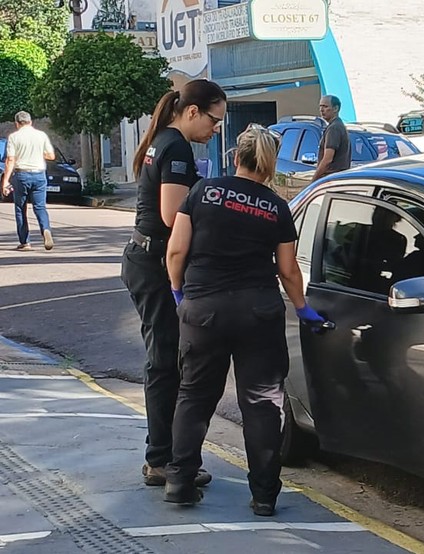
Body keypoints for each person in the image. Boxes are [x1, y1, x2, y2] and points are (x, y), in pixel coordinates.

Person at [164, 124, 327, 514]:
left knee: (195, 395)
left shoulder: (202, 192)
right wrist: (303, 308)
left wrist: (178, 293)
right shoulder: (277, 207)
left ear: (236, 157)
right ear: (269, 164)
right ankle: (265, 495)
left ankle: (180, 481)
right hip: (258, 313)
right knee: (262, 403)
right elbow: (288, 270)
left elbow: (176, 251)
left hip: (204, 309)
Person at [120, 79, 227, 489]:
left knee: (167, 361)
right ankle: (161, 458)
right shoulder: (176, 147)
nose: (215, 130)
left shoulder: (162, 140)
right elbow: (172, 215)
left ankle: (163, 452)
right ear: (193, 112)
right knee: (166, 364)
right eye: (214, 121)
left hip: (143, 260)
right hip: (153, 264)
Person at [2, 111, 56, 251]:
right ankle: (46, 229)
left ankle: (25, 242)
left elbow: (10, 160)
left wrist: (5, 181)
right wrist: (38, 153)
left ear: (17, 123)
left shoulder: (14, 137)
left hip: (22, 175)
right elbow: (51, 155)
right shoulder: (41, 135)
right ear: (30, 122)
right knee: (40, 207)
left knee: (20, 208)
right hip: (39, 175)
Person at [311, 95, 351, 181]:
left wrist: (314, 181)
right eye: (320, 106)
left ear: (336, 108)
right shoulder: (338, 125)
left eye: (325, 106)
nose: (321, 110)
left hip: (331, 179)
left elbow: (327, 159)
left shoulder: (334, 128)